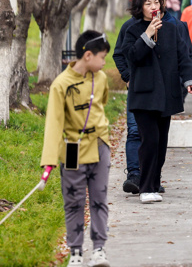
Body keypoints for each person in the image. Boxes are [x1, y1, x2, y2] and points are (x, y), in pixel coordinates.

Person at [120, 0, 192, 203]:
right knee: (150, 140)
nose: (153, 7)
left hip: (166, 93)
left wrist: (190, 80)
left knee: (162, 142)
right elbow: (132, 56)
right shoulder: (132, 29)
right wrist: (147, 34)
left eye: (156, 2)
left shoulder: (172, 29)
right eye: (148, 3)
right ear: (140, 7)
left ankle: (154, 183)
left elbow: (183, 56)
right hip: (143, 94)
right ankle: (145, 188)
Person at [41, 30, 113, 267]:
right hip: (72, 148)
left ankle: (99, 249)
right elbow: (54, 124)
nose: (104, 63)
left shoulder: (100, 78)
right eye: (102, 58)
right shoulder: (60, 85)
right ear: (88, 55)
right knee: (74, 200)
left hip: (99, 144)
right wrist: (49, 162)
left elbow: (100, 103)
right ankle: (75, 252)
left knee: (99, 198)